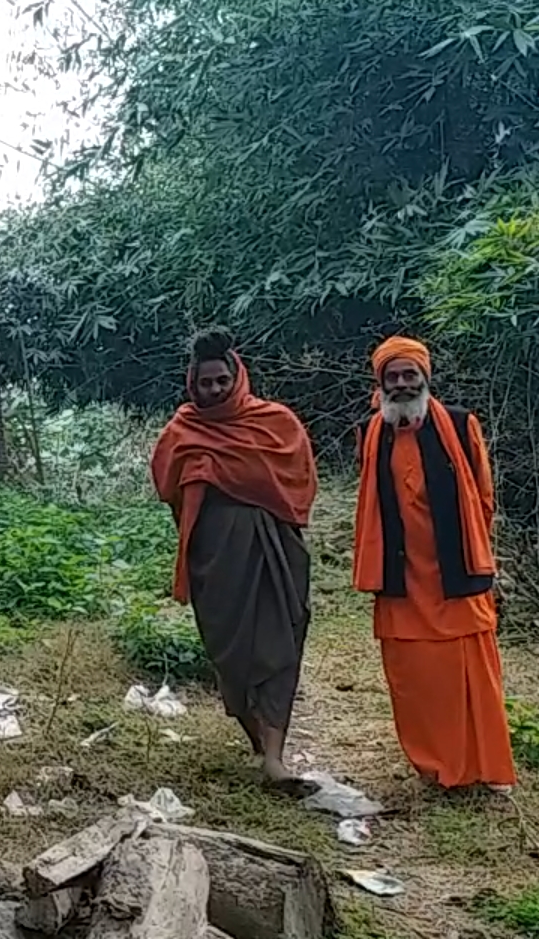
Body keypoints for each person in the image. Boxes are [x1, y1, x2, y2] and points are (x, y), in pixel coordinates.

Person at [151, 328, 319, 784]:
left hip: (274, 550)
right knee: (230, 654)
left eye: (221, 381)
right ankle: (257, 740)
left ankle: (274, 756)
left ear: (237, 375)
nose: (214, 391)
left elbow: (299, 478)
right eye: (205, 384)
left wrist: (245, 482)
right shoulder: (182, 432)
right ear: (193, 384)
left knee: (281, 641)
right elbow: (168, 486)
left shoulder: (275, 422)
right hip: (217, 558)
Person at [353, 336, 517, 791]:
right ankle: (434, 768)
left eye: (410, 375)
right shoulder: (370, 433)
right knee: (413, 679)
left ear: (426, 377)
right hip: (401, 581)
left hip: (454, 576)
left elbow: (483, 499)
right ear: (381, 383)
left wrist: (471, 553)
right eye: (393, 377)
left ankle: (481, 768)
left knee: (471, 677)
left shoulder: (462, 425)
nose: (402, 384)